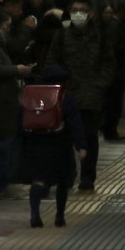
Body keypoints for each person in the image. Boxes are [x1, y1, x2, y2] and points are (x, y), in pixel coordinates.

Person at [45, 0, 115, 191]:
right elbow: (51, 63)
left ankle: (87, 178)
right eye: (74, 9)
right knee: (65, 138)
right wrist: (61, 84)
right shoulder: (61, 37)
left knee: (90, 138)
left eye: (81, 10)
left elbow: (109, 64)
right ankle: (67, 175)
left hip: (92, 98)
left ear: (90, 13)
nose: (77, 13)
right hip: (68, 97)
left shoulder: (100, 38)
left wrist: (99, 85)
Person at [18, 65, 86, 227]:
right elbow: (74, 123)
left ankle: (35, 214)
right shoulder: (65, 97)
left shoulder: (31, 95)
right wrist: (81, 146)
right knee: (62, 181)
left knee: (39, 180)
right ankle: (59, 217)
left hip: (36, 143)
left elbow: (20, 119)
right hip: (60, 143)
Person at [0, 4, 32, 199]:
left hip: (4, 105)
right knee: (1, 148)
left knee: (4, 147)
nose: (7, 29)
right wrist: (17, 70)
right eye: (5, 25)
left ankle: (0, 183)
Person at [101, 1, 125, 141]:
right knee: (114, 103)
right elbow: (113, 48)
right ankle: (110, 132)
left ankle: (110, 130)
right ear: (122, 12)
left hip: (117, 72)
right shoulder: (115, 26)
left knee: (114, 103)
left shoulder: (116, 25)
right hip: (116, 73)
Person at [0, 0, 37, 65]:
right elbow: (16, 47)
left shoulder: (17, 22)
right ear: (8, 7)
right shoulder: (2, 25)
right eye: (17, 7)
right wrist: (26, 27)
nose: (20, 11)